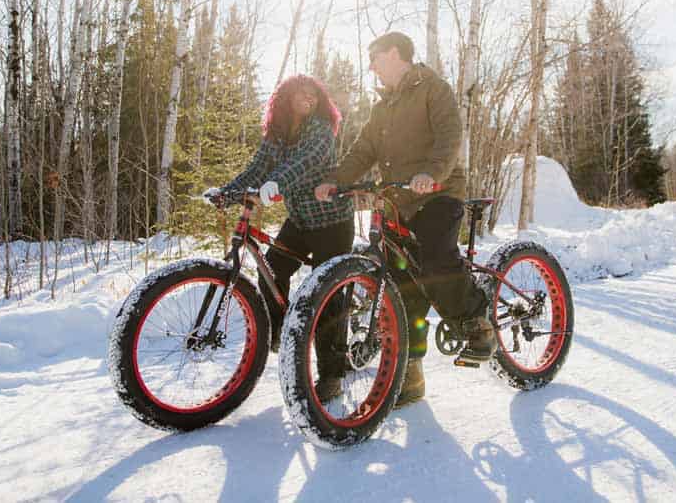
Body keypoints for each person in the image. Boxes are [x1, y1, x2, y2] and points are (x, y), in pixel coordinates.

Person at [314, 31, 495, 408]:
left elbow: (449, 137)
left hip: (438, 193)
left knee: (435, 259)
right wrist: (336, 180)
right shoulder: (382, 107)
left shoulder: (433, 89)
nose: (371, 67)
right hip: (397, 202)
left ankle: (477, 322)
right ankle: (410, 377)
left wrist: (432, 172)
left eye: (375, 58)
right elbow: (363, 150)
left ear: (395, 53)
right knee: (401, 287)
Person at [207, 75, 354, 371]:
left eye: (314, 94)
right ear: (287, 97)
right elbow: (257, 168)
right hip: (299, 221)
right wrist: (227, 193)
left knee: (326, 293)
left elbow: (304, 162)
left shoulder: (321, 129)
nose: (309, 98)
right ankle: (281, 334)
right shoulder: (278, 133)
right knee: (271, 272)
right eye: (302, 93)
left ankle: (333, 373)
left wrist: (276, 183)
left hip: (332, 221)